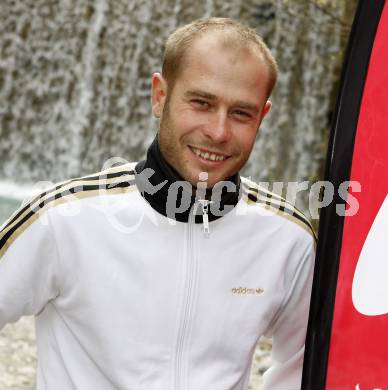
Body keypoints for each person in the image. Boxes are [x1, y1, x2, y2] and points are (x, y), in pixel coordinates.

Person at [0, 17, 316, 390]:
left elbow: (303, 368)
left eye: (241, 113)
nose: (218, 132)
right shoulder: (63, 217)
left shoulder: (289, 239)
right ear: (159, 96)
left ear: (262, 117)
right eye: (201, 103)